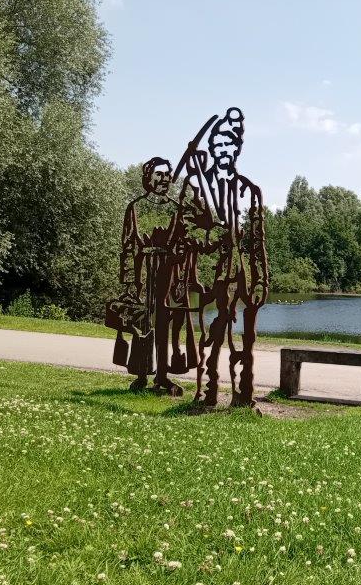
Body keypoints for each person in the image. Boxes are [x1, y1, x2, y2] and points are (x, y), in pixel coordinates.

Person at [178, 108, 269, 408]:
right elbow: (186, 229)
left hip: (245, 274)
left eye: (229, 145)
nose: (223, 151)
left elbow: (257, 241)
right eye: (218, 145)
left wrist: (261, 279)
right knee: (215, 333)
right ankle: (211, 390)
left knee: (247, 337)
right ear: (212, 148)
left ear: (237, 148)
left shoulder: (249, 191)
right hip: (216, 272)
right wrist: (211, 236)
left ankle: (244, 394)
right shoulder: (197, 188)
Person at [106, 156, 188, 394]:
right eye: (159, 174)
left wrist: (181, 277)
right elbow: (128, 247)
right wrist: (130, 280)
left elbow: (182, 245)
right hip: (143, 270)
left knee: (164, 324)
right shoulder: (136, 207)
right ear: (148, 177)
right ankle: (141, 374)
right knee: (142, 324)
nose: (164, 179)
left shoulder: (176, 209)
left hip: (168, 271)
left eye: (167, 175)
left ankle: (162, 375)